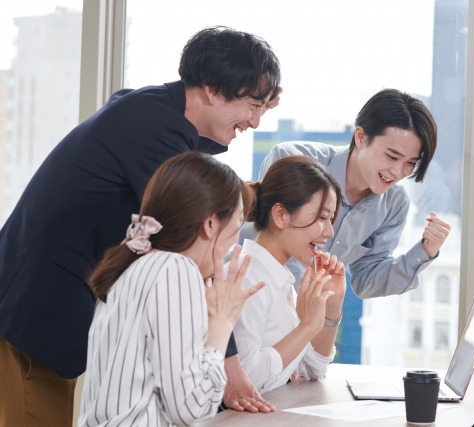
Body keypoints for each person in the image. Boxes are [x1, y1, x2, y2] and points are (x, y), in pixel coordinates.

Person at [0, 26, 279, 426]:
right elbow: (192, 229)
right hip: (35, 307)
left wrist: (254, 102)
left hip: (43, 296)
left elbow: (196, 156)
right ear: (213, 89)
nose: (255, 122)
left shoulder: (151, 109)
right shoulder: (156, 133)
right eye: (252, 105)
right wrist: (230, 367)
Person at [78, 151, 264, 425]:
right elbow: (190, 408)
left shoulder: (134, 262)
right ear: (210, 224)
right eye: (238, 220)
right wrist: (222, 323)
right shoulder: (175, 269)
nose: (236, 237)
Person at [239, 88, 451, 299]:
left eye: (410, 163)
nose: (398, 172)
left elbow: (366, 280)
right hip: (253, 294)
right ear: (361, 137)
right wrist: (301, 311)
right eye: (392, 157)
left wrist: (425, 251)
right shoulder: (293, 160)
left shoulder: (395, 202)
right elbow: (270, 247)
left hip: (310, 313)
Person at [230, 155, 346, 393]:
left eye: (331, 219)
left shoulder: (280, 280)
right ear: (281, 215)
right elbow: (244, 380)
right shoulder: (247, 279)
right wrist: (306, 326)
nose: (330, 232)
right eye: (322, 217)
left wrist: (332, 305)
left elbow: (313, 368)